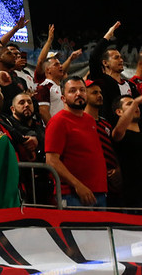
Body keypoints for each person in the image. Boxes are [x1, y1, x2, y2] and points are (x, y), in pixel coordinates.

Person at [45, 76, 107, 209]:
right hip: (74, 194)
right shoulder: (58, 121)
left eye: (82, 90)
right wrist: (77, 185)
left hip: (98, 192)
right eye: (72, 91)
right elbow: (51, 160)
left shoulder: (90, 120)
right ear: (63, 98)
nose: (79, 94)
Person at [83, 79, 121, 207]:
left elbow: (113, 149)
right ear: (84, 95)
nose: (99, 95)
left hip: (112, 184)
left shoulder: (106, 124)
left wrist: (117, 169)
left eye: (100, 92)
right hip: (91, 184)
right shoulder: (80, 123)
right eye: (94, 92)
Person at [111, 95, 142, 212]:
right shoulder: (120, 134)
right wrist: (136, 102)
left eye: (137, 105)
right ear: (119, 112)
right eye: (129, 104)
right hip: (131, 196)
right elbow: (118, 131)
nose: (136, 107)